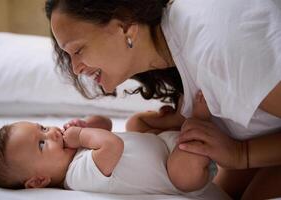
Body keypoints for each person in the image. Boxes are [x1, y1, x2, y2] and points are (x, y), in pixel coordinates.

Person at [44, 0, 281, 199]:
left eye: (77, 50)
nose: (75, 69)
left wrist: (242, 154)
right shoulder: (176, 48)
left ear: (125, 26)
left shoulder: (214, 46)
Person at [0, 93, 217, 196]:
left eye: (42, 128)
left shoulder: (73, 151)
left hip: (163, 143)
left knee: (135, 122)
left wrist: (86, 123)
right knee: (184, 169)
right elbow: (112, 144)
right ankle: (199, 122)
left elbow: (105, 125)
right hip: (178, 173)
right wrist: (82, 135)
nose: (51, 133)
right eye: (42, 144)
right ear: (39, 181)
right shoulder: (77, 176)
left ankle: (179, 120)